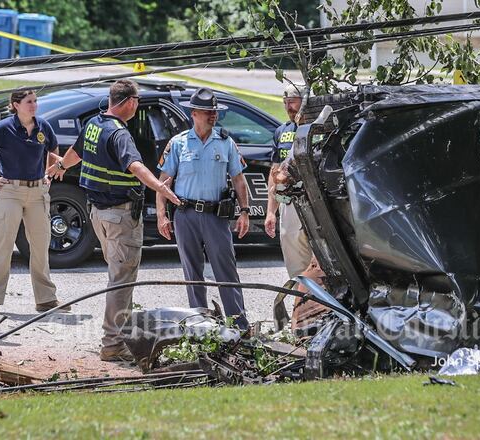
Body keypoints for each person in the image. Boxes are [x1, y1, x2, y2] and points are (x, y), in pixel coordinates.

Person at [47, 79, 181, 362]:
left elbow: (76, 152)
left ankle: (121, 336)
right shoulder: (119, 134)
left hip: (98, 214)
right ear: (129, 102)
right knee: (121, 282)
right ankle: (112, 344)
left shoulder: (94, 124)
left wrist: (60, 165)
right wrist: (160, 187)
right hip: (120, 216)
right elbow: (135, 165)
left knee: (119, 276)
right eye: (137, 101)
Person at [156, 87, 251, 330]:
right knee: (192, 272)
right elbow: (163, 183)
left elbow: (239, 180)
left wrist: (244, 211)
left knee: (226, 270)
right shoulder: (178, 143)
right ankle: (199, 324)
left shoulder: (225, 142)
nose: (213, 115)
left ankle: (238, 325)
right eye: (208, 111)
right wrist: (161, 216)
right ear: (194, 113)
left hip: (215, 216)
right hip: (185, 214)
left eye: (215, 111)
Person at [0, 90, 65, 316]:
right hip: (9, 191)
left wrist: (48, 174)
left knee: (41, 247)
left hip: (37, 193)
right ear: (16, 105)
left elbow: (53, 151)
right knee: (3, 246)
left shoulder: (43, 126)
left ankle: (46, 299)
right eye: (29, 102)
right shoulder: (3, 128)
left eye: (35, 101)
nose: (34, 105)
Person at [264, 83, 313, 279]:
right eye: (285, 103)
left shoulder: (317, 129)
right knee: (292, 251)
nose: (288, 107)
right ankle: (300, 295)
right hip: (289, 202)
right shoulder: (281, 131)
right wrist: (270, 211)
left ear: (304, 102)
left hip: (314, 199)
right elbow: (274, 172)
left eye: (292, 102)